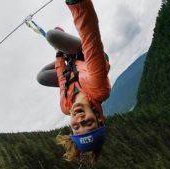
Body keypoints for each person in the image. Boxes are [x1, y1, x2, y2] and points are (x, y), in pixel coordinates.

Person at [37, 0, 111, 164]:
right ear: (99, 119)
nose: (78, 119)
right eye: (88, 123)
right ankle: (66, 47)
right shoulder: (99, 90)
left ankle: (64, 51)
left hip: (70, 70)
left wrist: (58, 57)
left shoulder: (66, 107)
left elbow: (62, 80)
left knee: (41, 77)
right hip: (86, 55)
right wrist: (77, 4)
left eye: (76, 127)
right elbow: (91, 37)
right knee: (52, 36)